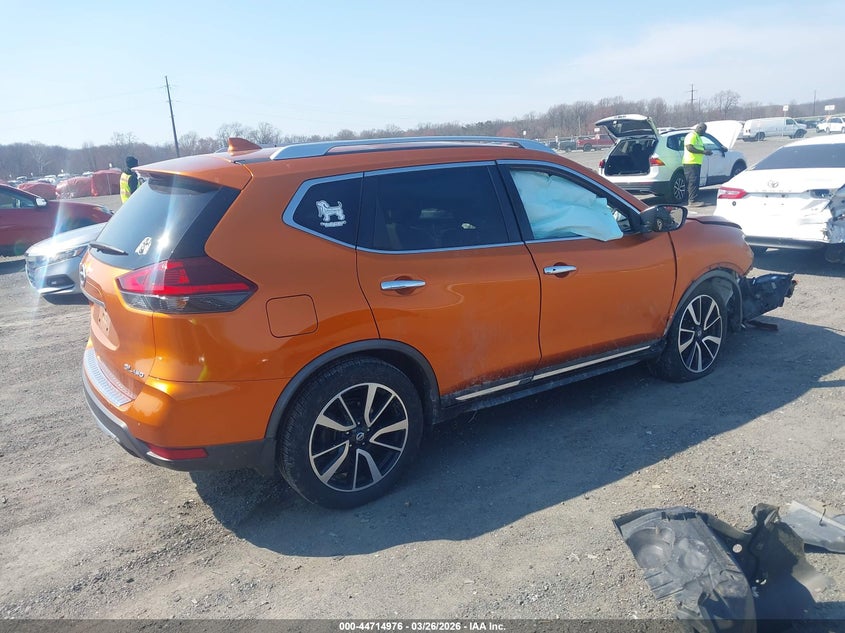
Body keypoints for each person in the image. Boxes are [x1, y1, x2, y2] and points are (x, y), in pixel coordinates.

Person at [682, 123, 712, 207]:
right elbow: (689, 148)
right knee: (693, 182)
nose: (704, 132)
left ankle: (694, 199)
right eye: (704, 130)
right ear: (700, 128)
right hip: (690, 162)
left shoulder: (698, 137)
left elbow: (699, 147)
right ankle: (692, 201)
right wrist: (703, 152)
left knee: (695, 181)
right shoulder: (691, 136)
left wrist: (706, 151)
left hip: (696, 163)